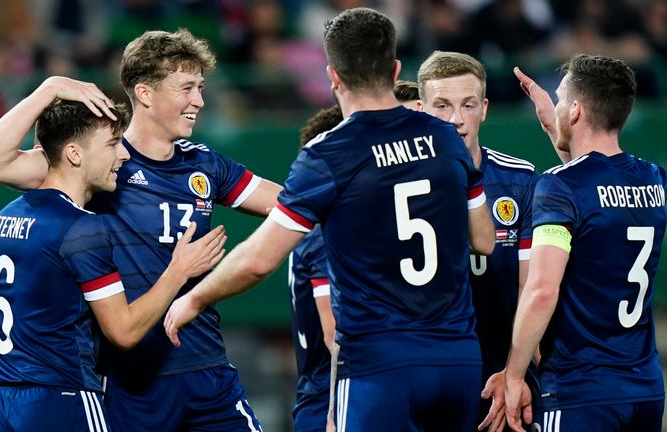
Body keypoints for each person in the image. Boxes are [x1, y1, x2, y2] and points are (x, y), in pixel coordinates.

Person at [164, 8, 496, 432]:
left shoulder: (329, 154)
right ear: (395, 70)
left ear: (333, 76)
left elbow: (259, 260)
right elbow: (484, 240)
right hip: (459, 363)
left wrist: (194, 298)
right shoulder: (447, 139)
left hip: (379, 367)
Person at [0, 29, 282, 432]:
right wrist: (49, 89)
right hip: (128, 384)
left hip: (206, 368)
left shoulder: (207, 165)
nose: (199, 101)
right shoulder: (101, 164)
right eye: (186, 88)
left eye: (201, 87)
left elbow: (290, 205)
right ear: (145, 94)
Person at [0, 76, 226, 431]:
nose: (124, 154)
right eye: (113, 143)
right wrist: (178, 270)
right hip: (62, 401)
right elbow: (125, 332)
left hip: (2, 405)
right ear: (74, 153)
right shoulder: (81, 228)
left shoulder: (1, 221)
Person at [501, 54, 667, 431]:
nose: (556, 106)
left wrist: (514, 374)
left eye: (561, 100)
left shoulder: (558, 187)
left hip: (582, 390)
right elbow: (596, 190)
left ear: (575, 110)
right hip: (644, 388)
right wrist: (552, 128)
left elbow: (542, 290)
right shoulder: (654, 179)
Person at [416, 50, 538, 431]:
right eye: (442, 105)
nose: (456, 118)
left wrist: (514, 372)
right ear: (420, 109)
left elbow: (533, 289)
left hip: (502, 375)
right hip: (425, 377)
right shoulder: (398, 185)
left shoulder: (519, 180)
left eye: (468, 104)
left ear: (484, 108)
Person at [289, 104, 343, 432]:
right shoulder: (326, 234)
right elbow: (334, 332)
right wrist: (337, 412)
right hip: (331, 399)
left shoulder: (310, 228)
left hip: (317, 392)